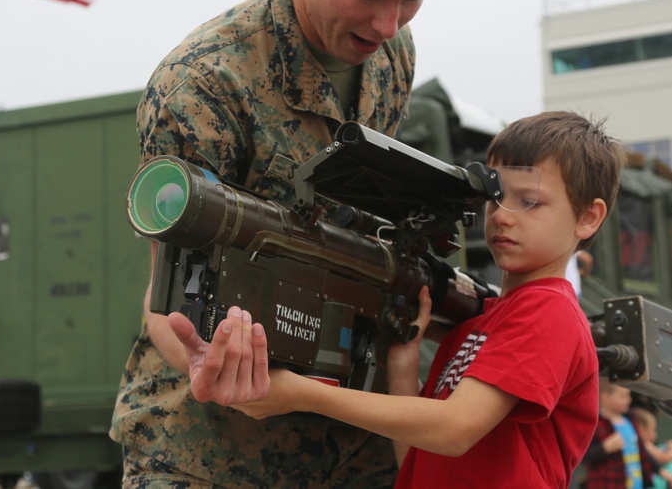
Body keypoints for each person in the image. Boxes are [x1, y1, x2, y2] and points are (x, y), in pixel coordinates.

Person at [109, 0, 450, 489]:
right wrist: (215, 361)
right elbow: (164, 303)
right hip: (209, 451)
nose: (388, 23)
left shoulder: (394, 53)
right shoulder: (205, 83)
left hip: (349, 444)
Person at [174, 110, 625, 488]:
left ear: (588, 218)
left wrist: (303, 394)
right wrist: (405, 365)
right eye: (496, 200)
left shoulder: (549, 310)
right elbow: (419, 453)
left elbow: (455, 430)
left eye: (530, 202)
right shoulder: (481, 324)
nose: (503, 217)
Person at [583, 382, 672, 489]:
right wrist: (605, 448)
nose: (629, 400)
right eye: (623, 396)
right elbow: (585, 457)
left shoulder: (630, 420)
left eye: (629, 396)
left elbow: (641, 450)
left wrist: (660, 470)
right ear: (605, 397)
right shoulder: (595, 424)